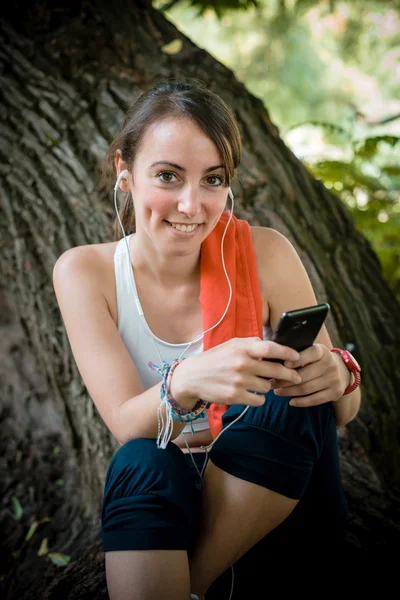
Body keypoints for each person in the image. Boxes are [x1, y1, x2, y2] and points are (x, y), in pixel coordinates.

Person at [52, 78, 361, 600]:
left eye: (212, 179)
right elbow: (126, 422)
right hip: (177, 499)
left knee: (288, 397)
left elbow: (342, 412)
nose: (192, 205)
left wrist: (339, 375)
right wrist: (189, 378)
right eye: (168, 176)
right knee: (140, 461)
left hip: (275, 497)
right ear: (124, 173)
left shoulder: (264, 253)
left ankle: (195, 584)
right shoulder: (86, 272)